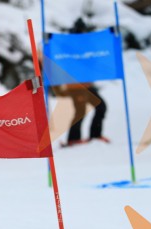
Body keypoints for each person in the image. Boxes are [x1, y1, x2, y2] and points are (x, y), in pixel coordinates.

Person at [54, 17, 109, 147]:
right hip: (75, 85)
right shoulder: (68, 45)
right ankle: (73, 139)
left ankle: (95, 135)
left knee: (100, 106)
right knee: (81, 111)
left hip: (86, 84)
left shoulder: (84, 44)